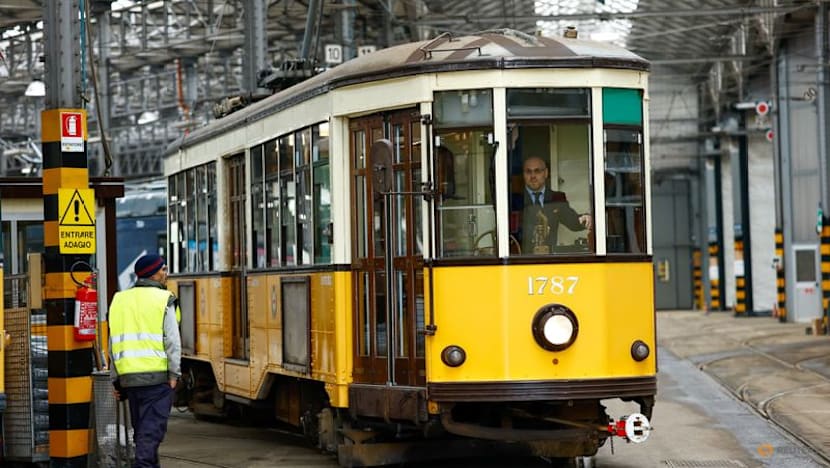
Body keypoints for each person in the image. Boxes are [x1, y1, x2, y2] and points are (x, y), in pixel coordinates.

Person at [109, 254, 181, 468]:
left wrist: (116, 381)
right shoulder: (164, 299)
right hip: (157, 382)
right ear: (153, 273)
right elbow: (172, 341)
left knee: (143, 436)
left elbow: (113, 344)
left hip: (130, 383)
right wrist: (174, 374)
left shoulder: (119, 300)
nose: (165, 273)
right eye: (163, 269)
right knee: (148, 441)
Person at [519, 156, 592, 253]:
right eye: (528, 172)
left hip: (549, 260)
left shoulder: (557, 198)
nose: (533, 176)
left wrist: (586, 218)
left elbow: (573, 221)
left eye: (537, 171)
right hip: (519, 260)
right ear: (523, 174)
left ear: (546, 173)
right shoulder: (513, 200)